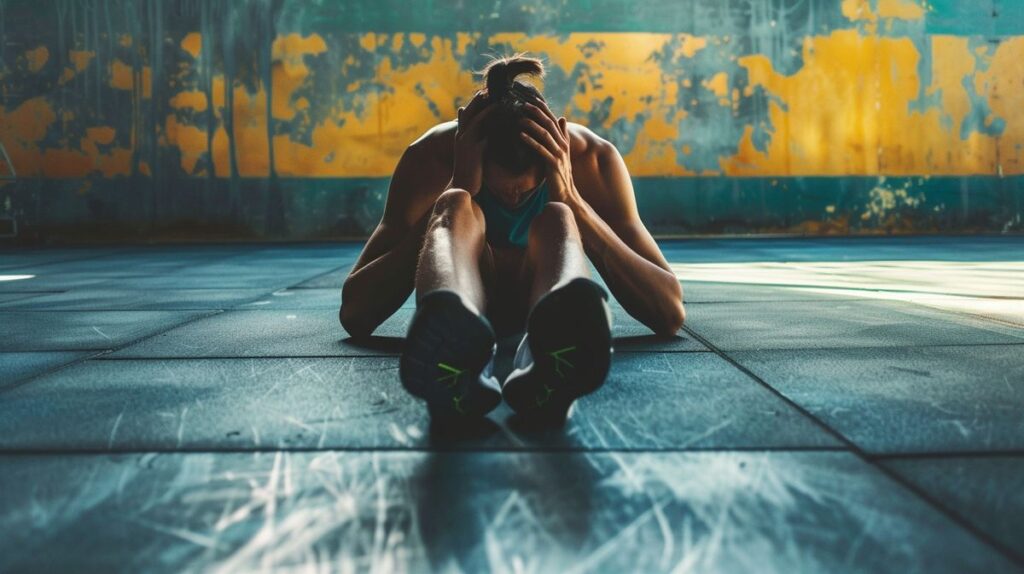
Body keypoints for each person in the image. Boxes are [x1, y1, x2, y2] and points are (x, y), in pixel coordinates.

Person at [340, 53, 684, 423]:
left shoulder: (593, 160)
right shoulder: (429, 158)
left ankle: (553, 345)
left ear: (557, 146)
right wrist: (456, 188)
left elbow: (668, 312)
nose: (512, 200)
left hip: (541, 297)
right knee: (455, 205)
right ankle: (456, 335)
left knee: (558, 215)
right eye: (499, 191)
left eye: (524, 193)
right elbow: (356, 312)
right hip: (470, 291)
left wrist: (573, 200)